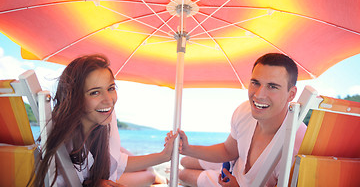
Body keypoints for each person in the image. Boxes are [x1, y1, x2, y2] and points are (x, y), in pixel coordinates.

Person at [33, 54, 177, 187]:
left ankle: (158, 177)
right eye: (95, 92)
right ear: (74, 97)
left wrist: (164, 156)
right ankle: (158, 178)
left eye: (111, 88)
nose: (108, 101)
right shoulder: (64, 145)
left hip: (105, 167)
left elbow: (116, 162)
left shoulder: (102, 123)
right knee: (149, 176)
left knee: (146, 170)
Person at [173, 53, 307, 187]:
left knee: (182, 175)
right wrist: (187, 148)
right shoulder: (245, 111)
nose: (259, 95)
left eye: (272, 86)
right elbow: (228, 151)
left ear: (291, 94)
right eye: (255, 83)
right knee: (185, 161)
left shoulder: (296, 148)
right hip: (234, 165)